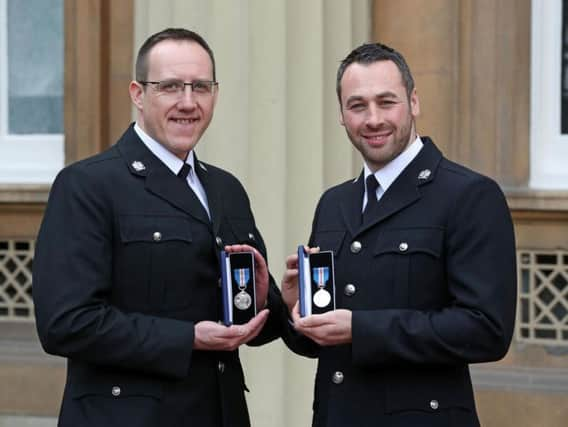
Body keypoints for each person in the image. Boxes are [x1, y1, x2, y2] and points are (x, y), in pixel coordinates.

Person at [33, 28, 284, 427]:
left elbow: (244, 320)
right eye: (170, 87)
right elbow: (65, 325)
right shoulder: (88, 185)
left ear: (215, 94)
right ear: (138, 94)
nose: (188, 102)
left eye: (200, 87)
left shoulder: (226, 189)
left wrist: (269, 298)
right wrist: (188, 338)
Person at [280, 42, 517, 427]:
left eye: (386, 102)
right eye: (357, 106)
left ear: (414, 102)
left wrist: (362, 329)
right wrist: (296, 311)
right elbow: (321, 342)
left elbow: (486, 330)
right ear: (341, 115)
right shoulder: (334, 202)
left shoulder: (469, 195)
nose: (373, 119)